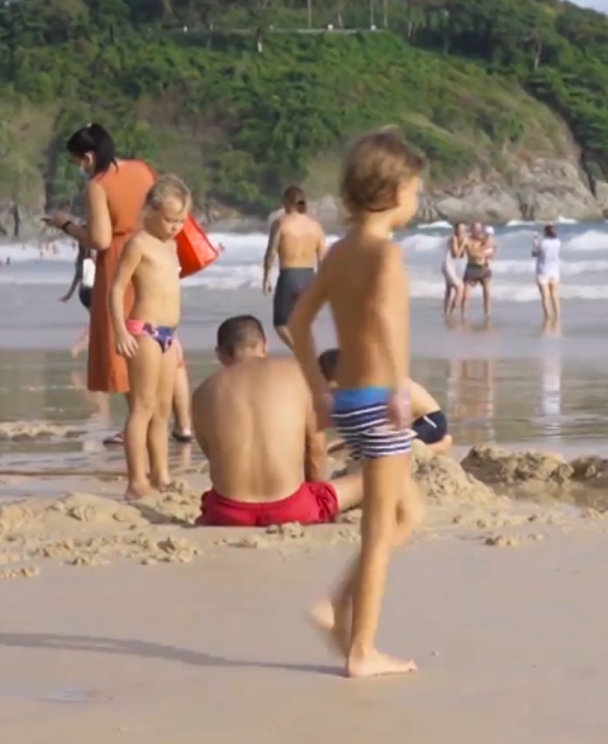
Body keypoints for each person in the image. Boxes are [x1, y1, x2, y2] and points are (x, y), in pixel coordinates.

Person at [288, 131, 428, 679]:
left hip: (347, 400)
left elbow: (299, 322)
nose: (418, 199)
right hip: (379, 400)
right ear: (395, 191)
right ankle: (361, 649)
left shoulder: (340, 251)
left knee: (409, 513)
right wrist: (400, 389)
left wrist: (318, 391)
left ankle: (338, 601)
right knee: (379, 530)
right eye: (416, 189)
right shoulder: (385, 254)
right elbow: (389, 324)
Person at [192, 315, 366, 527]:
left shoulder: (203, 392)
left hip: (228, 513)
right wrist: (317, 498)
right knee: (372, 477)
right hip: (290, 508)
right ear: (264, 345)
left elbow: (215, 456)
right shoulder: (297, 374)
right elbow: (316, 450)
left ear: (220, 353)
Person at [46, 124, 157, 426]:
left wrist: (66, 225)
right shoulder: (142, 170)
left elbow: (100, 240)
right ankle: (170, 423)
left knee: (123, 344)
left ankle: (138, 421)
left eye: (78, 162)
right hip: (151, 255)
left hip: (119, 262)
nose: (80, 168)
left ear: (89, 157)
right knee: (153, 337)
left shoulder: (98, 185)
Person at [108, 175, 192, 500]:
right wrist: (119, 330)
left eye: (181, 221)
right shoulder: (139, 243)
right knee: (142, 407)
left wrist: (176, 337)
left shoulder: (172, 246)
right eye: (170, 220)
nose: (175, 227)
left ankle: (161, 474)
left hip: (169, 334)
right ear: (151, 211)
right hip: (143, 331)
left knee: (163, 409)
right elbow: (117, 289)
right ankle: (136, 480)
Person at [320, 347, 452, 456]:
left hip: (431, 421)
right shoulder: (370, 378)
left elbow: (386, 423)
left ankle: (441, 446)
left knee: (391, 449)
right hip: (416, 423)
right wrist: (335, 445)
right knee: (376, 441)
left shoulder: (380, 382)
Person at [263, 185, 328, 349]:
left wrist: (266, 278)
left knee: (281, 324)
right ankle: (308, 354)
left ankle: (300, 351)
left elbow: (271, 252)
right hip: (309, 277)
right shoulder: (316, 226)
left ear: (288, 201)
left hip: (289, 276)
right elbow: (322, 258)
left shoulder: (281, 223)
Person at [460, 222, 495, 322]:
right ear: (472, 230)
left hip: (484, 268)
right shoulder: (467, 240)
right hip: (472, 269)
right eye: (476, 229)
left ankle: (487, 315)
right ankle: (464, 316)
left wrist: (489, 253)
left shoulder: (487, 239)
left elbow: (493, 249)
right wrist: (483, 250)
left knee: (487, 293)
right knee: (465, 296)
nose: (478, 231)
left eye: (480, 229)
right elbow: (472, 254)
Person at [532, 223, 563, 324]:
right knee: (555, 295)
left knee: (545, 296)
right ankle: (557, 316)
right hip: (554, 270)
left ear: (545, 232)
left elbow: (535, 253)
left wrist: (535, 243)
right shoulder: (558, 242)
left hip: (543, 270)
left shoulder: (542, 243)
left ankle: (548, 317)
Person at [440, 225, 467, 317]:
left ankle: (446, 312)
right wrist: (463, 244)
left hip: (451, 265)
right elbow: (456, 255)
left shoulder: (459, 238)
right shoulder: (454, 238)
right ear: (455, 230)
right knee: (459, 288)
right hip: (448, 265)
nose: (462, 231)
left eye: (464, 229)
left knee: (449, 289)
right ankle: (451, 313)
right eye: (460, 229)